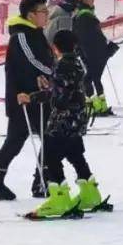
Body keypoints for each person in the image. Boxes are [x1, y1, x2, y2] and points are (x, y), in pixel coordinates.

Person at [21, 30, 107, 217]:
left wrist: (33, 97)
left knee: (50, 155)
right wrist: (51, 87)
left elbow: (59, 96)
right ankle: (90, 192)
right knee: (75, 154)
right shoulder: (77, 63)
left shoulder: (61, 66)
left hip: (63, 119)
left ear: (55, 47)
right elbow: (65, 88)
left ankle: (59, 197)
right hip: (77, 118)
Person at [0, 0, 54, 200]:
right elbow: (31, 61)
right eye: (43, 11)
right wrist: (52, 73)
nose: (46, 15)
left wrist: (50, 75)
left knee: (49, 138)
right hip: (23, 98)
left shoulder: (37, 33)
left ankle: (42, 181)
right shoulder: (21, 36)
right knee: (15, 141)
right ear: (31, 15)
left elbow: (46, 60)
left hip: (39, 97)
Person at [73, 0, 118, 117]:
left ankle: (98, 105)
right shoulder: (85, 15)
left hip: (90, 51)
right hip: (92, 52)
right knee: (90, 78)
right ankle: (93, 106)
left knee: (94, 77)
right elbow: (92, 35)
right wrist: (104, 49)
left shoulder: (84, 14)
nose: (93, 0)